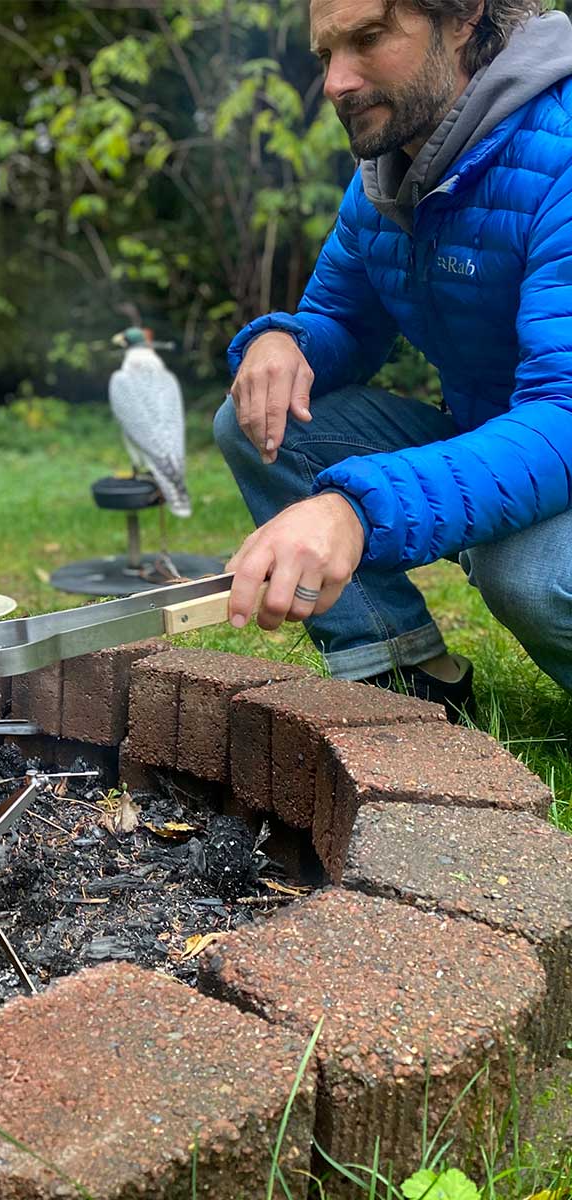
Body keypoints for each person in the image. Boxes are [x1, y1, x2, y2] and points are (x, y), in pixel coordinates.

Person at [215, 0, 572, 718]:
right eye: (325, 56)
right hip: (512, 443)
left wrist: (357, 510)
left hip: (555, 433)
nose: (337, 83)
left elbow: (564, 412)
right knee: (261, 419)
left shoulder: (559, 152)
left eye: (369, 39)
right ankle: (408, 681)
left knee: (528, 571)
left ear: (464, 16)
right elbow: (342, 318)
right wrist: (282, 341)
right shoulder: (392, 171)